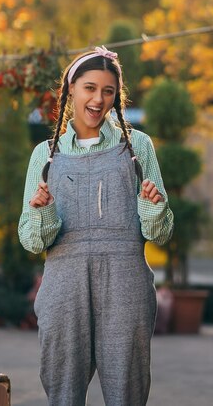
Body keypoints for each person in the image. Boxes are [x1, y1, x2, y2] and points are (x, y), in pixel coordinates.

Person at [19, 46, 174, 406]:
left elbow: (161, 233)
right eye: (90, 87)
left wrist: (153, 207)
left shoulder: (138, 147)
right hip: (63, 284)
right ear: (71, 89)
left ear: (116, 96)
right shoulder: (45, 154)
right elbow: (30, 239)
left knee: (127, 392)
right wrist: (43, 210)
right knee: (62, 390)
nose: (98, 99)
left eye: (108, 91)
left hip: (126, 281)